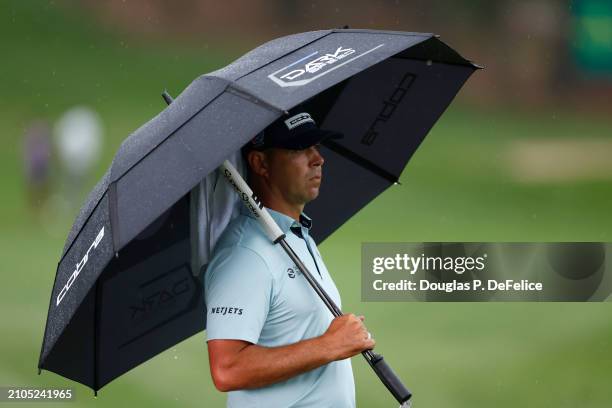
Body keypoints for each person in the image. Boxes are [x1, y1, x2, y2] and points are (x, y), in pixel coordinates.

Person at [204, 107, 376, 407]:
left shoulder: (296, 236)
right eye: (299, 149)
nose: (318, 159)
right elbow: (226, 369)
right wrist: (329, 345)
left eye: (316, 147)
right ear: (260, 163)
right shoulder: (245, 253)